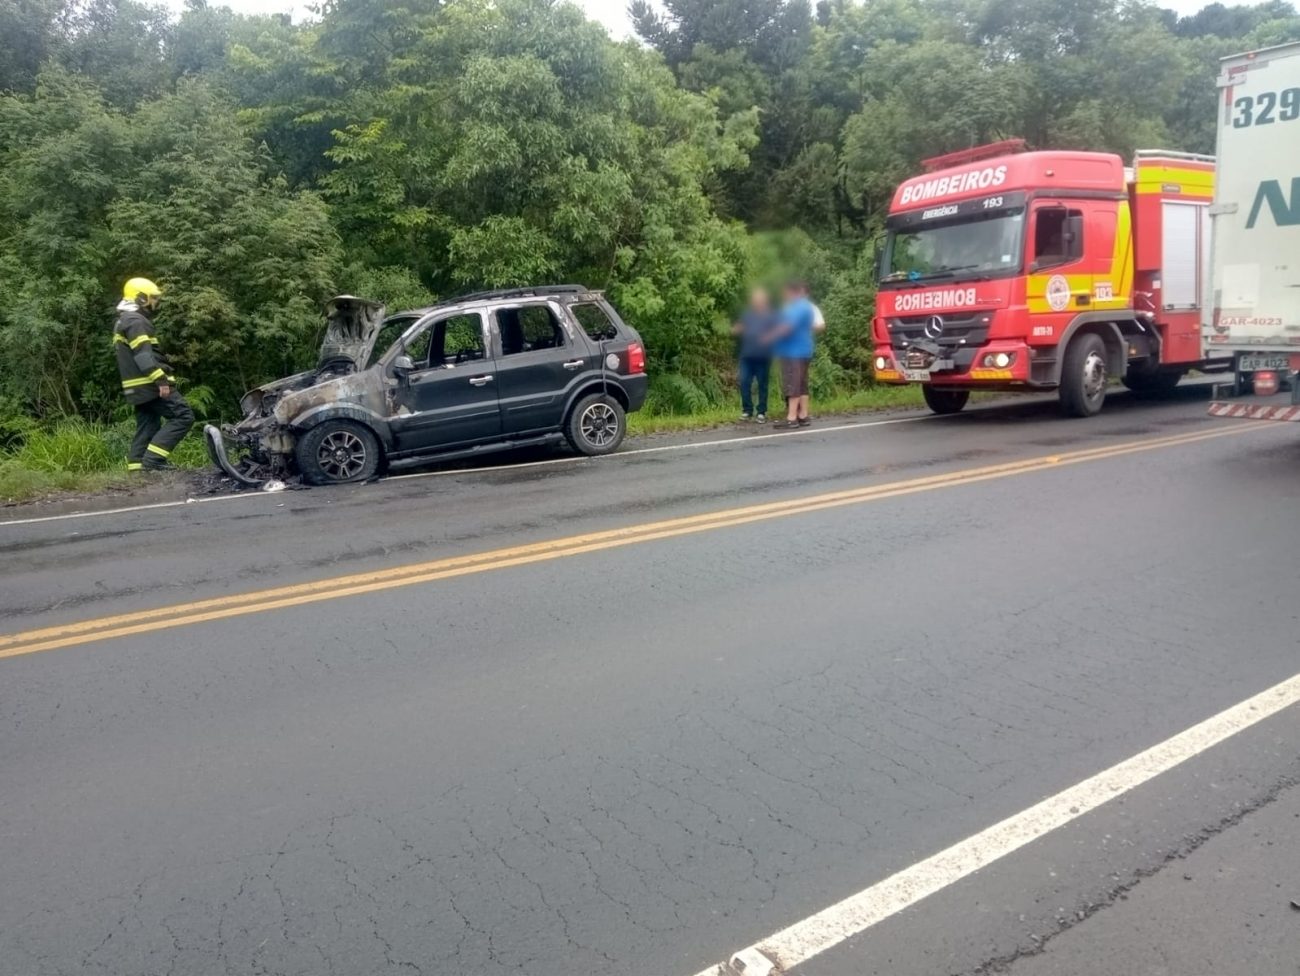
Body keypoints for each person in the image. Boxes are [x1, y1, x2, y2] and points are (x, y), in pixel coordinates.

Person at [114, 277, 194, 471]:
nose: (155, 303)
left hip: (136, 388)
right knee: (183, 416)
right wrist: (160, 380)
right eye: (152, 298)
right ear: (141, 299)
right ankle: (153, 462)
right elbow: (143, 356)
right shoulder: (136, 321)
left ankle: (137, 470)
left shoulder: (123, 321)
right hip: (149, 384)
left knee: (148, 425)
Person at [768, 281, 816, 429]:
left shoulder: (798, 307)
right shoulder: (806, 306)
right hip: (804, 349)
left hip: (793, 351)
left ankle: (791, 418)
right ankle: (803, 416)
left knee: (793, 382)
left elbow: (787, 327)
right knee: (801, 383)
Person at [732, 287, 774, 422]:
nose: (757, 302)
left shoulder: (770, 316)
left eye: (760, 300)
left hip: (763, 356)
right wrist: (736, 329)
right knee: (744, 382)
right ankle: (747, 410)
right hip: (747, 356)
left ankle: (761, 412)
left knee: (762, 384)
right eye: (755, 300)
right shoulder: (747, 315)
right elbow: (737, 329)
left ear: (765, 301)